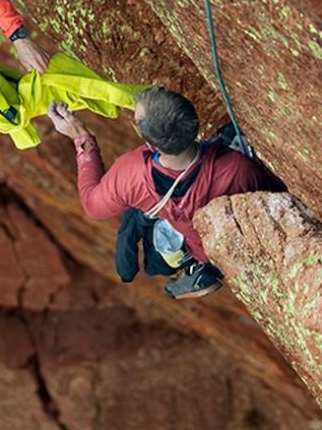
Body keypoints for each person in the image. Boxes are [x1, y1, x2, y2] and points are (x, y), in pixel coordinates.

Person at [46, 86, 286, 299]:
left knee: (136, 222)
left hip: (195, 241)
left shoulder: (132, 175)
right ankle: (200, 266)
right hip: (216, 237)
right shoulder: (237, 167)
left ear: (152, 145)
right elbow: (277, 197)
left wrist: (81, 138)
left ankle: (199, 267)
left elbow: (92, 205)